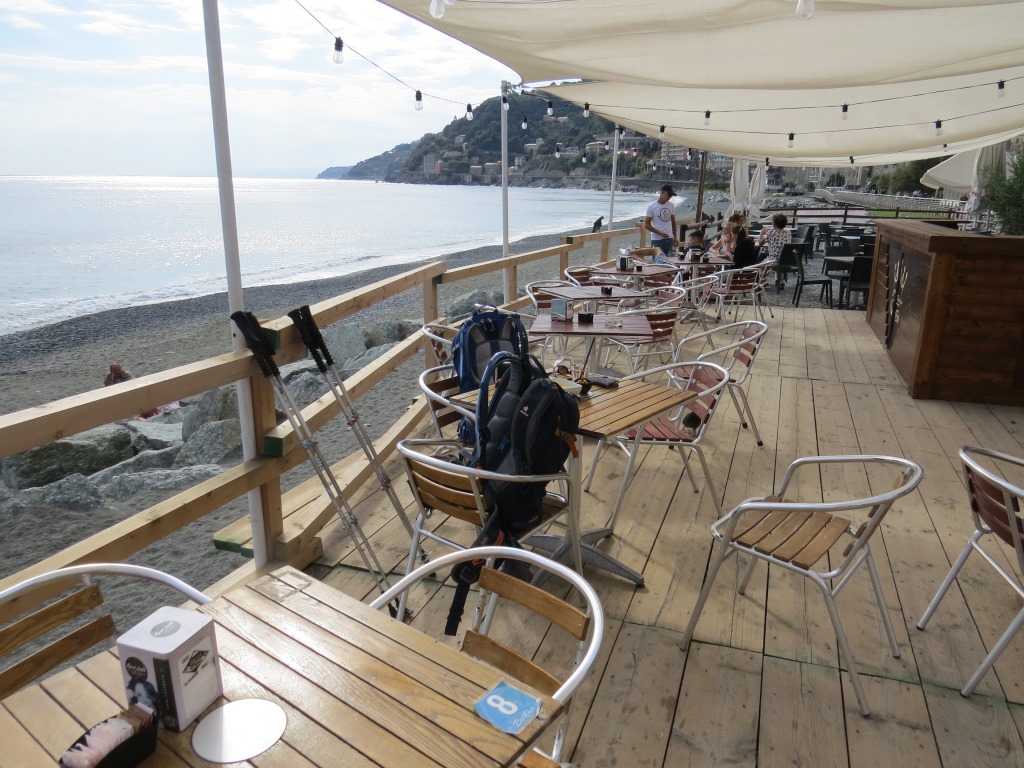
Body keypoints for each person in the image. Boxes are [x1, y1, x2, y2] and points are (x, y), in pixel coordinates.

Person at [644, 184, 678, 256]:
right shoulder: (651, 206)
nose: (670, 197)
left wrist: (675, 237)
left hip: (669, 239)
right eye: (668, 194)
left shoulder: (671, 205)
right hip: (657, 240)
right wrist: (659, 232)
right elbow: (646, 225)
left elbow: (673, 222)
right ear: (662, 193)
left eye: (671, 195)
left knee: (670, 261)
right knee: (658, 261)